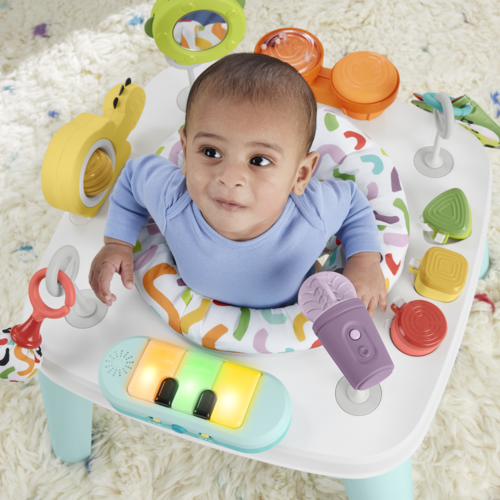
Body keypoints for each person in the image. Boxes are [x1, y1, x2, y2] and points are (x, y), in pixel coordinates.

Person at [89, 53, 387, 317]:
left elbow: (353, 205)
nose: (229, 177)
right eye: (210, 152)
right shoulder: (171, 199)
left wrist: (364, 261)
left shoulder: (314, 211)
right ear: (185, 152)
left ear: (301, 175)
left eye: (259, 160)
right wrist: (117, 243)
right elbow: (131, 177)